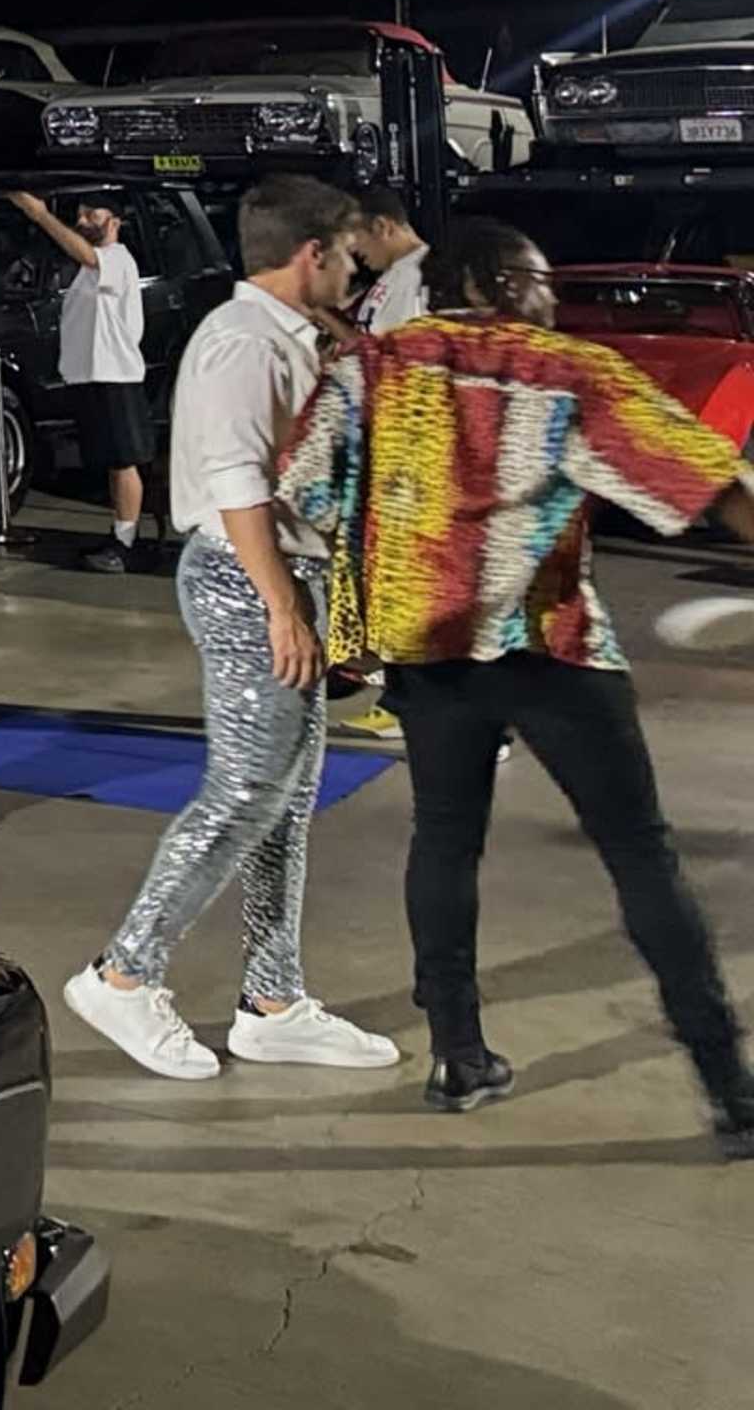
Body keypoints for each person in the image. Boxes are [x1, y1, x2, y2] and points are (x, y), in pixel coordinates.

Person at [282, 214, 754, 1148]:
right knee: (641, 857)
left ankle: (457, 1055)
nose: (551, 299)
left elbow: (302, 488)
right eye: (541, 280)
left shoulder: (369, 370)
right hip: (553, 649)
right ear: (499, 281)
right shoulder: (563, 370)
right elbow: (703, 481)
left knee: (446, 844)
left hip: (427, 657)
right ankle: (727, 1084)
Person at [65, 172, 399, 1081]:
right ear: (312, 253)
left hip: (287, 576)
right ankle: (124, 973)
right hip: (249, 580)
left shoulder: (291, 335)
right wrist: (283, 608)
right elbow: (236, 483)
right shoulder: (240, 343)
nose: (357, 268)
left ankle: (273, 998)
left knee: (287, 798)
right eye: (347, 253)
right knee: (247, 791)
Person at [8, 189, 160, 576]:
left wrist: (41, 215)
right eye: (81, 214)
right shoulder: (90, 270)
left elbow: (86, 254)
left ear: (115, 221)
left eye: (93, 214)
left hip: (115, 374)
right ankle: (120, 533)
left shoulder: (116, 260)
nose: (84, 220)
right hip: (92, 375)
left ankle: (125, 544)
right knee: (112, 461)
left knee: (124, 460)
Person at [351, 187, 431, 334]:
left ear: (381, 226)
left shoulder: (420, 275)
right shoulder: (399, 271)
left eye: (355, 235)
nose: (352, 248)